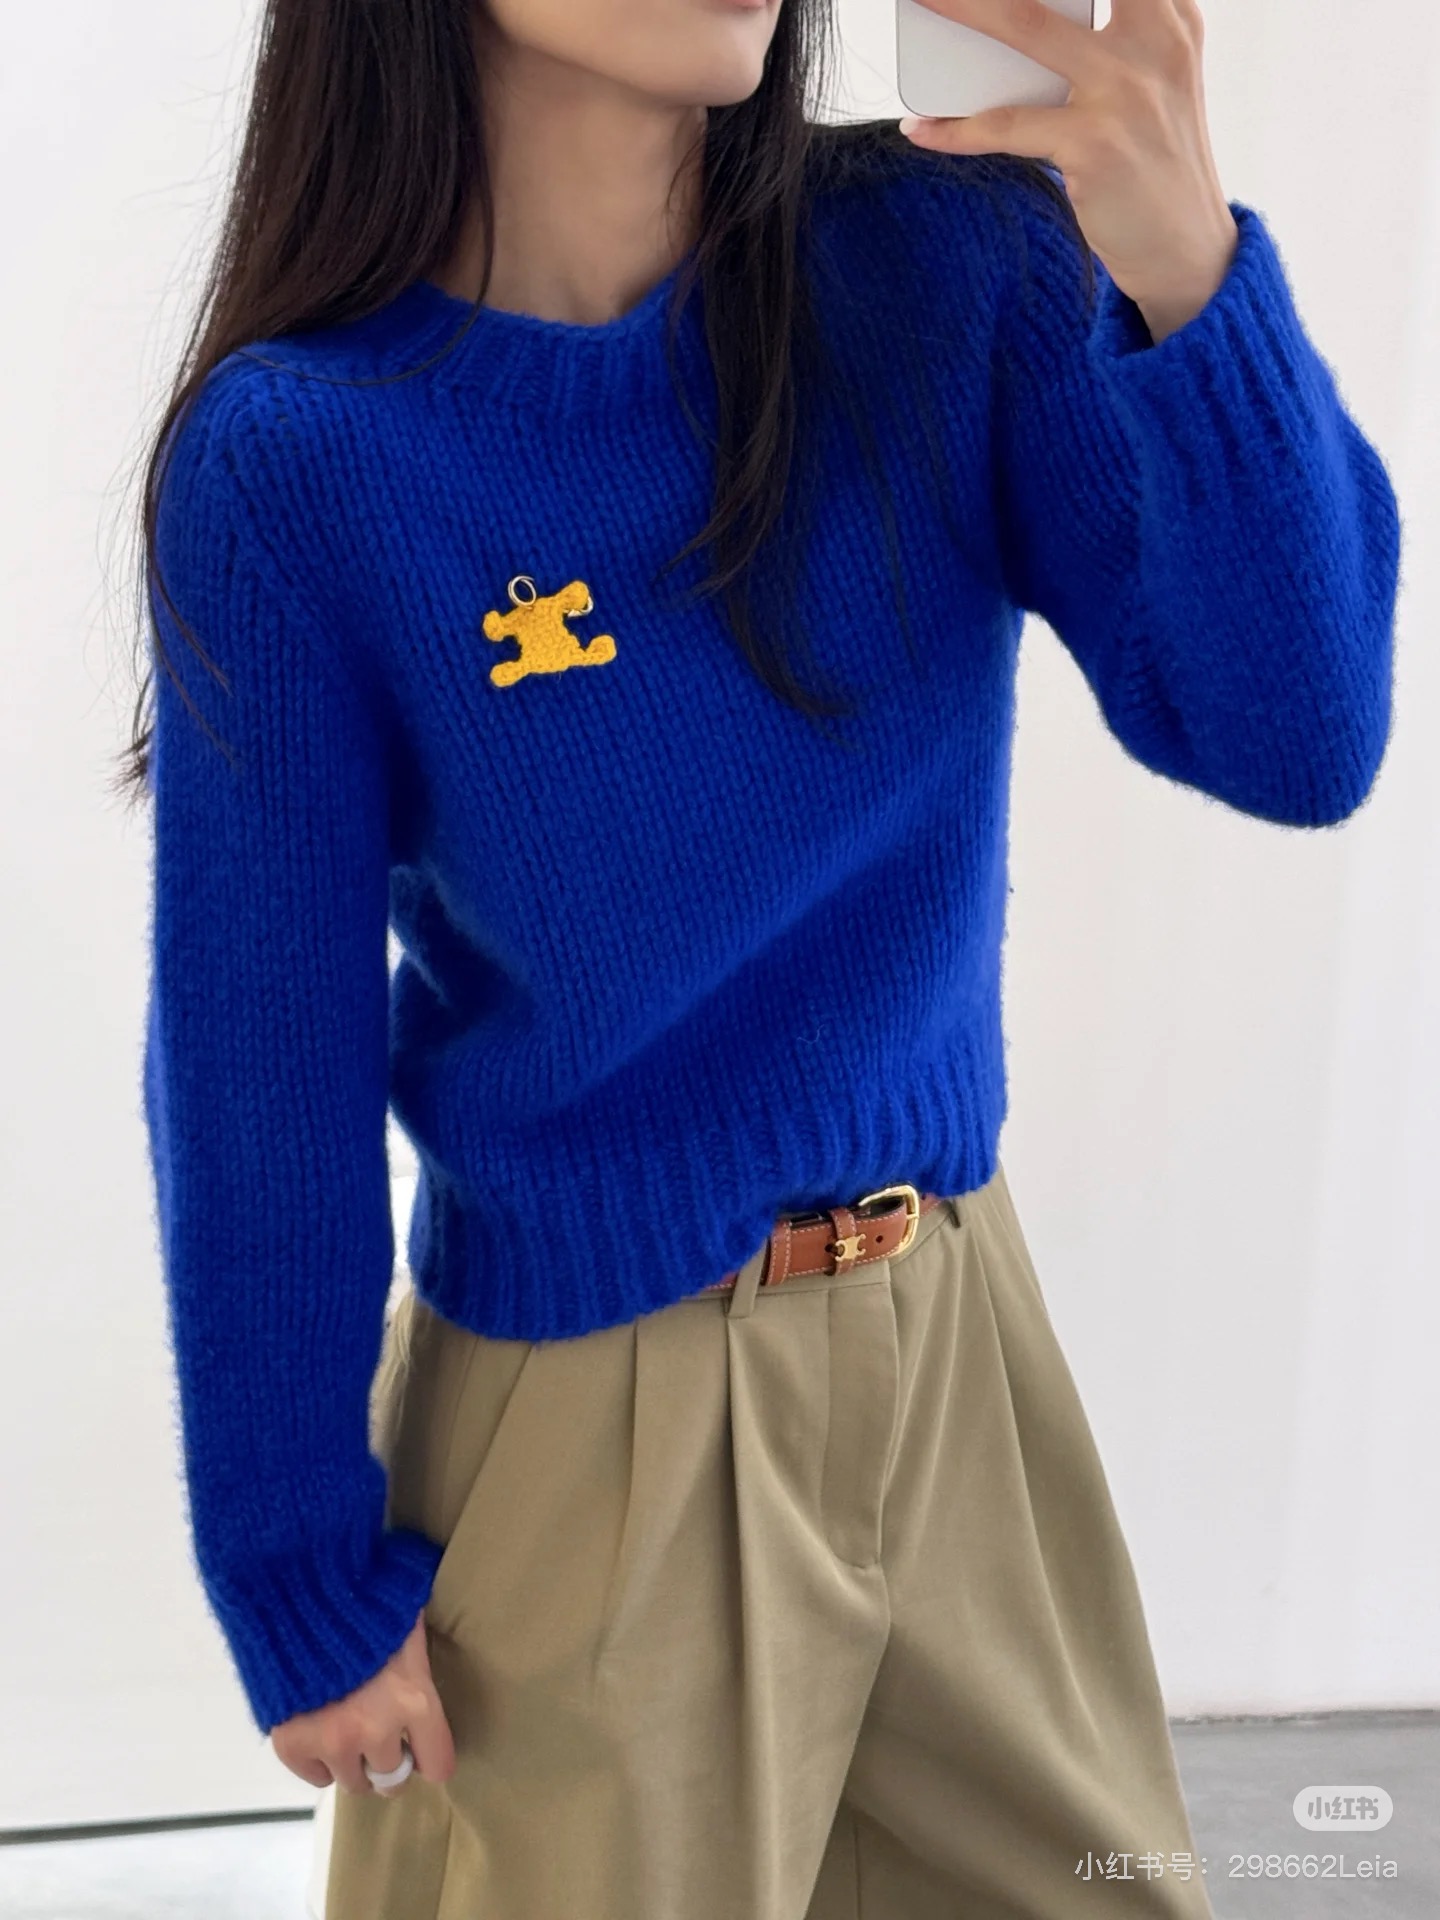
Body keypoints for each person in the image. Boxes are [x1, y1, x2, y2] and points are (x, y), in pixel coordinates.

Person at [124, 0, 1400, 1914]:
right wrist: (296, 1569)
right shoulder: (302, 463)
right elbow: (256, 1063)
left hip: (961, 1352)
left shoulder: (948, 259)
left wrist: (1186, 266)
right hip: (590, 1428)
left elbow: (1300, 737)